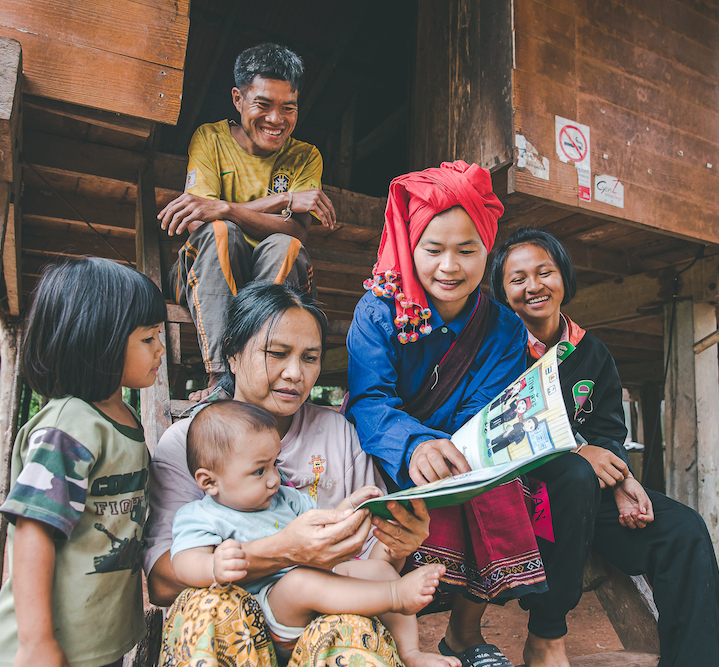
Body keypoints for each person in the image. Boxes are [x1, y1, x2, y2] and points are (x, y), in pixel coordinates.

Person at [144, 281, 432, 667]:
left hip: (320, 630)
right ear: (232, 354)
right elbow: (162, 583)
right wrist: (283, 552)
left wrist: (397, 543)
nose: (295, 373)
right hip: (230, 636)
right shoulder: (187, 443)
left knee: (350, 629)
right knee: (208, 605)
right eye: (277, 353)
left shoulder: (338, 434)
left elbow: (368, 564)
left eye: (310, 358)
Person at [490, 227, 719, 667]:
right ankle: (545, 633)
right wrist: (577, 455)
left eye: (545, 272)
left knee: (684, 530)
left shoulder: (592, 353)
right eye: (518, 278)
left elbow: (607, 433)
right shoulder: (494, 349)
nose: (533, 286)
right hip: (517, 495)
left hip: (583, 497)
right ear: (502, 292)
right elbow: (495, 433)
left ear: (564, 277)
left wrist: (623, 482)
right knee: (577, 472)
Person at [345, 160, 539, 667]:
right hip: (389, 450)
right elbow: (370, 400)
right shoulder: (378, 311)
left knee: (500, 484)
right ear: (411, 248)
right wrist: (412, 444)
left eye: (466, 250)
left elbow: (484, 410)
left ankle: (464, 634)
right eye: (433, 250)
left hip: (459, 451)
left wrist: (452, 448)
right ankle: (384, 641)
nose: (449, 267)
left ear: (487, 251)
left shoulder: (504, 329)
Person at [170, 400, 458, 667]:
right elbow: (183, 563)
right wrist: (212, 566)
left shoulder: (288, 499)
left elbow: (326, 528)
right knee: (298, 581)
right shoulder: (200, 516)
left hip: (320, 596)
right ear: (209, 481)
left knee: (378, 569)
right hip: (270, 613)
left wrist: (352, 508)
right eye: (259, 471)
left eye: (275, 464)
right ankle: (396, 595)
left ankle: (410, 652)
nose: (273, 479)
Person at [0, 258, 167, 667]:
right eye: (148, 338)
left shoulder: (123, 416)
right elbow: (35, 530)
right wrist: (36, 643)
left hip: (95, 640)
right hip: (50, 647)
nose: (161, 348)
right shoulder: (72, 426)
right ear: (98, 340)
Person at [157, 42, 337, 398]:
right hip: (204, 272)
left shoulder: (305, 156)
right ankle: (221, 377)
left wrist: (223, 206)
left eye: (288, 107)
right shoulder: (210, 138)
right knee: (221, 233)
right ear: (238, 99)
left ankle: (257, 373)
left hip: (271, 278)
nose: (276, 119)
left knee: (285, 245)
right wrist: (282, 199)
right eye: (263, 105)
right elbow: (199, 222)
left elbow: (297, 229)